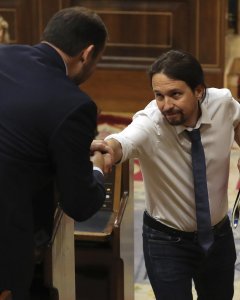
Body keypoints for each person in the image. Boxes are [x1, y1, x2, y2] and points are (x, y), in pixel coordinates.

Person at [97, 49, 240, 299]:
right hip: (166, 242)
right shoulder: (149, 123)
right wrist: (105, 152)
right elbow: (120, 142)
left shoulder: (222, 103)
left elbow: (237, 120)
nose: (166, 105)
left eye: (175, 94)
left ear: (199, 91)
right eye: (159, 95)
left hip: (219, 237)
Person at [0, 6, 112, 300]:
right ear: (87, 54)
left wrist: (65, 146)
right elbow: (79, 203)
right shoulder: (74, 105)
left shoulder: (3, 54)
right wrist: (98, 166)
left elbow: (16, 128)